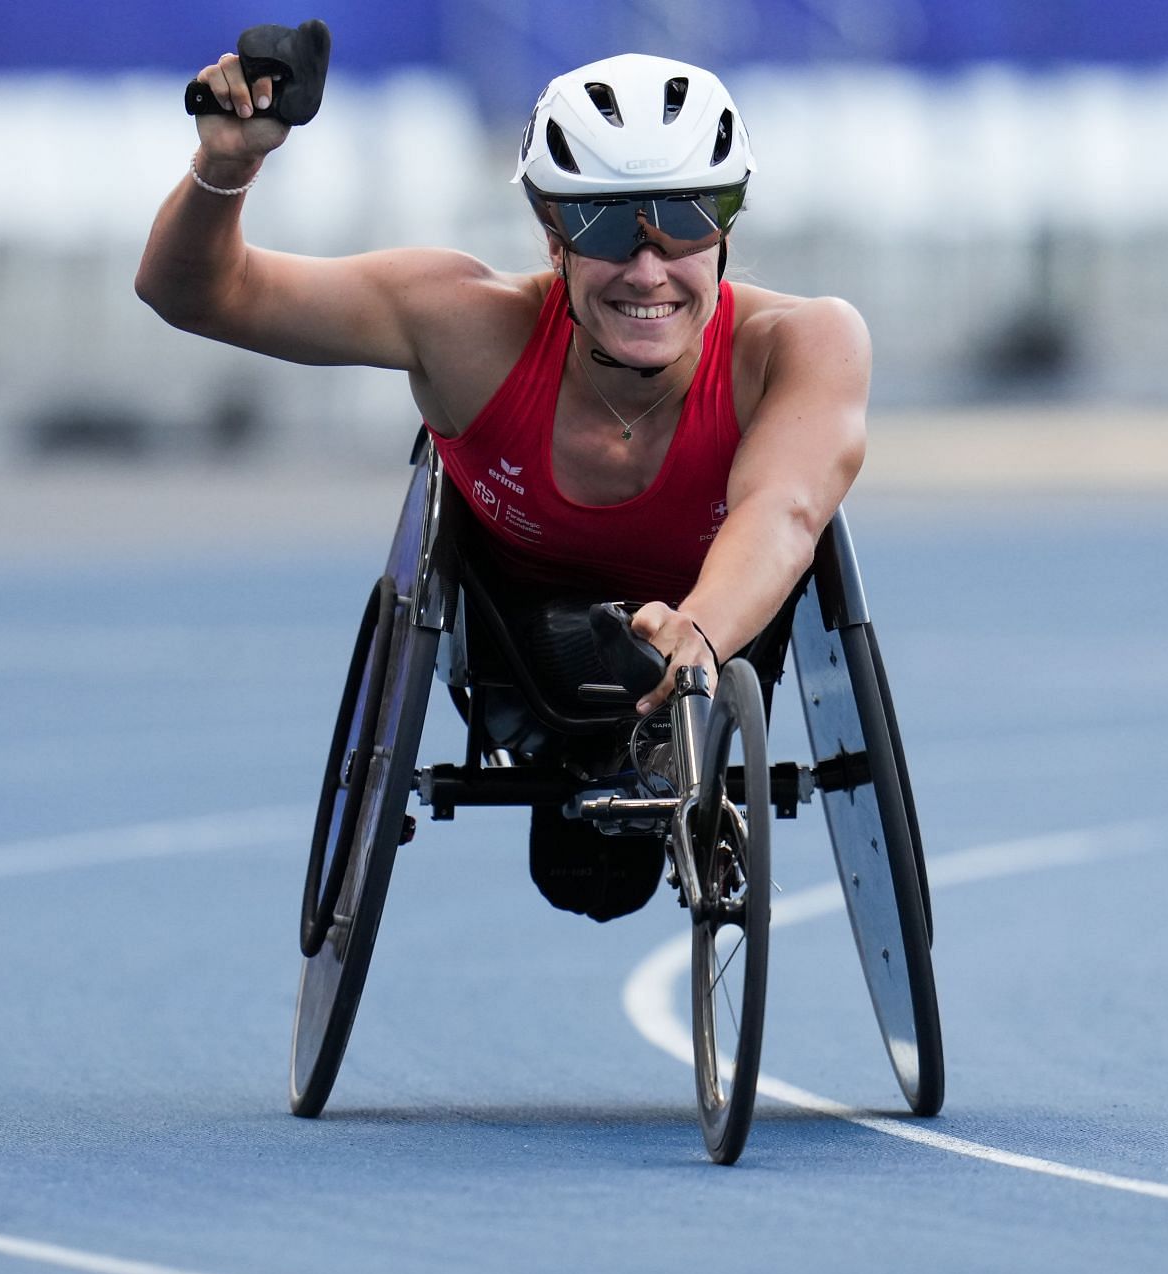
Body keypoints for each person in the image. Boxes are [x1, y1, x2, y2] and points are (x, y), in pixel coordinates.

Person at [138, 40, 872, 918]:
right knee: (573, 652)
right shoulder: (462, 327)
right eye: (604, 226)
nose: (648, 270)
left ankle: (673, 730)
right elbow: (197, 294)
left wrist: (698, 634)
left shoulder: (804, 346)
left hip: (715, 648)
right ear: (553, 235)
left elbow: (787, 510)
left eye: (682, 221)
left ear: (726, 229)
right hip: (515, 663)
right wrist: (227, 166)